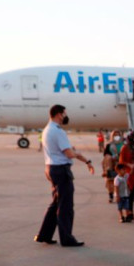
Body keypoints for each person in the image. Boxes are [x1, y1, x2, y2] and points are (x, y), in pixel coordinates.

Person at [34, 104, 95, 247]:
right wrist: (83, 158)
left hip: (50, 168)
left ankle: (44, 235)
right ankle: (67, 239)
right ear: (59, 114)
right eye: (64, 114)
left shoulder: (47, 130)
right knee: (65, 206)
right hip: (61, 170)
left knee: (56, 204)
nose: (65, 116)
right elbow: (68, 153)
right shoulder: (58, 131)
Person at [102, 130, 124, 203]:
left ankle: (121, 195)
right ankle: (111, 195)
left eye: (118, 135)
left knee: (121, 180)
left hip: (121, 164)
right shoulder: (109, 145)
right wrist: (112, 157)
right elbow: (105, 155)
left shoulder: (123, 144)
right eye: (115, 135)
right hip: (111, 164)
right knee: (110, 180)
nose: (117, 136)